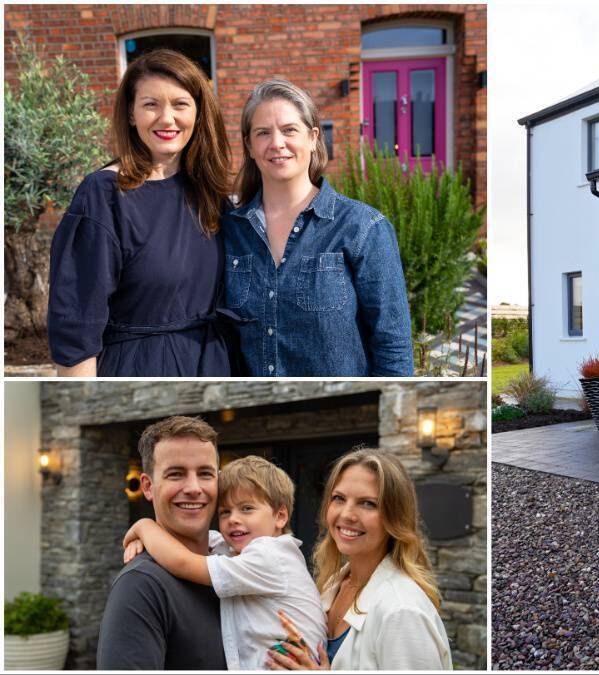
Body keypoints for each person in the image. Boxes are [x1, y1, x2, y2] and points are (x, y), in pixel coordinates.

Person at [48, 49, 233, 376]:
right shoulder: (104, 196)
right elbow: (76, 327)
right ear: (132, 114)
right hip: (139, 365)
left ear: (199, 113)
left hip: (213, 363)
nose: (167, 118)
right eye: (151, 104)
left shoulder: (208, 191)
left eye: (180, 104)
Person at [222, 79, 414, 376]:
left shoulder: (362, 227)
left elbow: (393, 346)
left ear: (313, 138)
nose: (276, 143)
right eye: (263, 133)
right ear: (249, 145)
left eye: (289, 130)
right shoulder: (233, 230)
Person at [121, 455, 325, 670]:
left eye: (247, 508)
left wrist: (144, 527)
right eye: (225, 512)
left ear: (280, 516)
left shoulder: (270, 556)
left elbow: (182, 562)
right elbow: (188, 538)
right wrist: (148, 539)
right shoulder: (237, 550)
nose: (233, 519)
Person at [266, 448, 451, 670]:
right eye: (339, 498)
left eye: (368, 503)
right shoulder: (333, 584)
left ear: (395, 516)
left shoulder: (402, 610)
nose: (346, 514)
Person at [96, 416, 226, 669]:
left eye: (205, 473)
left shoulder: (234, 562)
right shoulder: (141, 585)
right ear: (147, 486)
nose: (193, 488)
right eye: (176, 474)